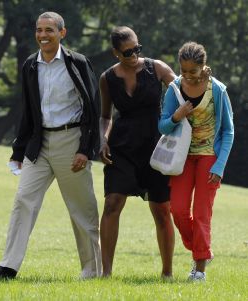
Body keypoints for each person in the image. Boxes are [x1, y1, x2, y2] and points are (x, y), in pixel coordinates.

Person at [0, 11, 102, 279]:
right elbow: (28, 111)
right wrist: (19, 151)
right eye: (39, 30)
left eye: (49, 30)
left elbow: (93, 108)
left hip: (72, 143)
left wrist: (85, 149)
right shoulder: (29, 65)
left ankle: (92, 272)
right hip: (40, 144)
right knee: (23, 200)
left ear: (62, 33)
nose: (43, 35)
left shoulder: (78, 63)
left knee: (82, 209)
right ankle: (8, 268)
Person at [98, 26, 176, 278]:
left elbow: (182, 90)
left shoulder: (158, 69)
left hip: (156, 148)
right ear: (116, 53)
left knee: (162, 210)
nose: (134, 55)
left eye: (137, 49)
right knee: (112, 204)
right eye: (127, 52)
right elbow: (105, 116)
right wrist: (102, 139)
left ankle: (167, 273)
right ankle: (106, 273)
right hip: (122, 148)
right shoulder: (107, 78)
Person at [159, 42, 234, 281]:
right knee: (178, 210)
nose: (188, 76)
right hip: (180, 158)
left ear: (203, 67)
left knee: (202, 213)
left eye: (193, 71)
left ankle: (199, 270)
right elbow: (162, 125)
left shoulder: (218, 90)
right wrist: (175, 117)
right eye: (184, 70)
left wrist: (219, 165)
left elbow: (228, 131)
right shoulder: (174, 89)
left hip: (209, 157)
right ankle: (203, 251)